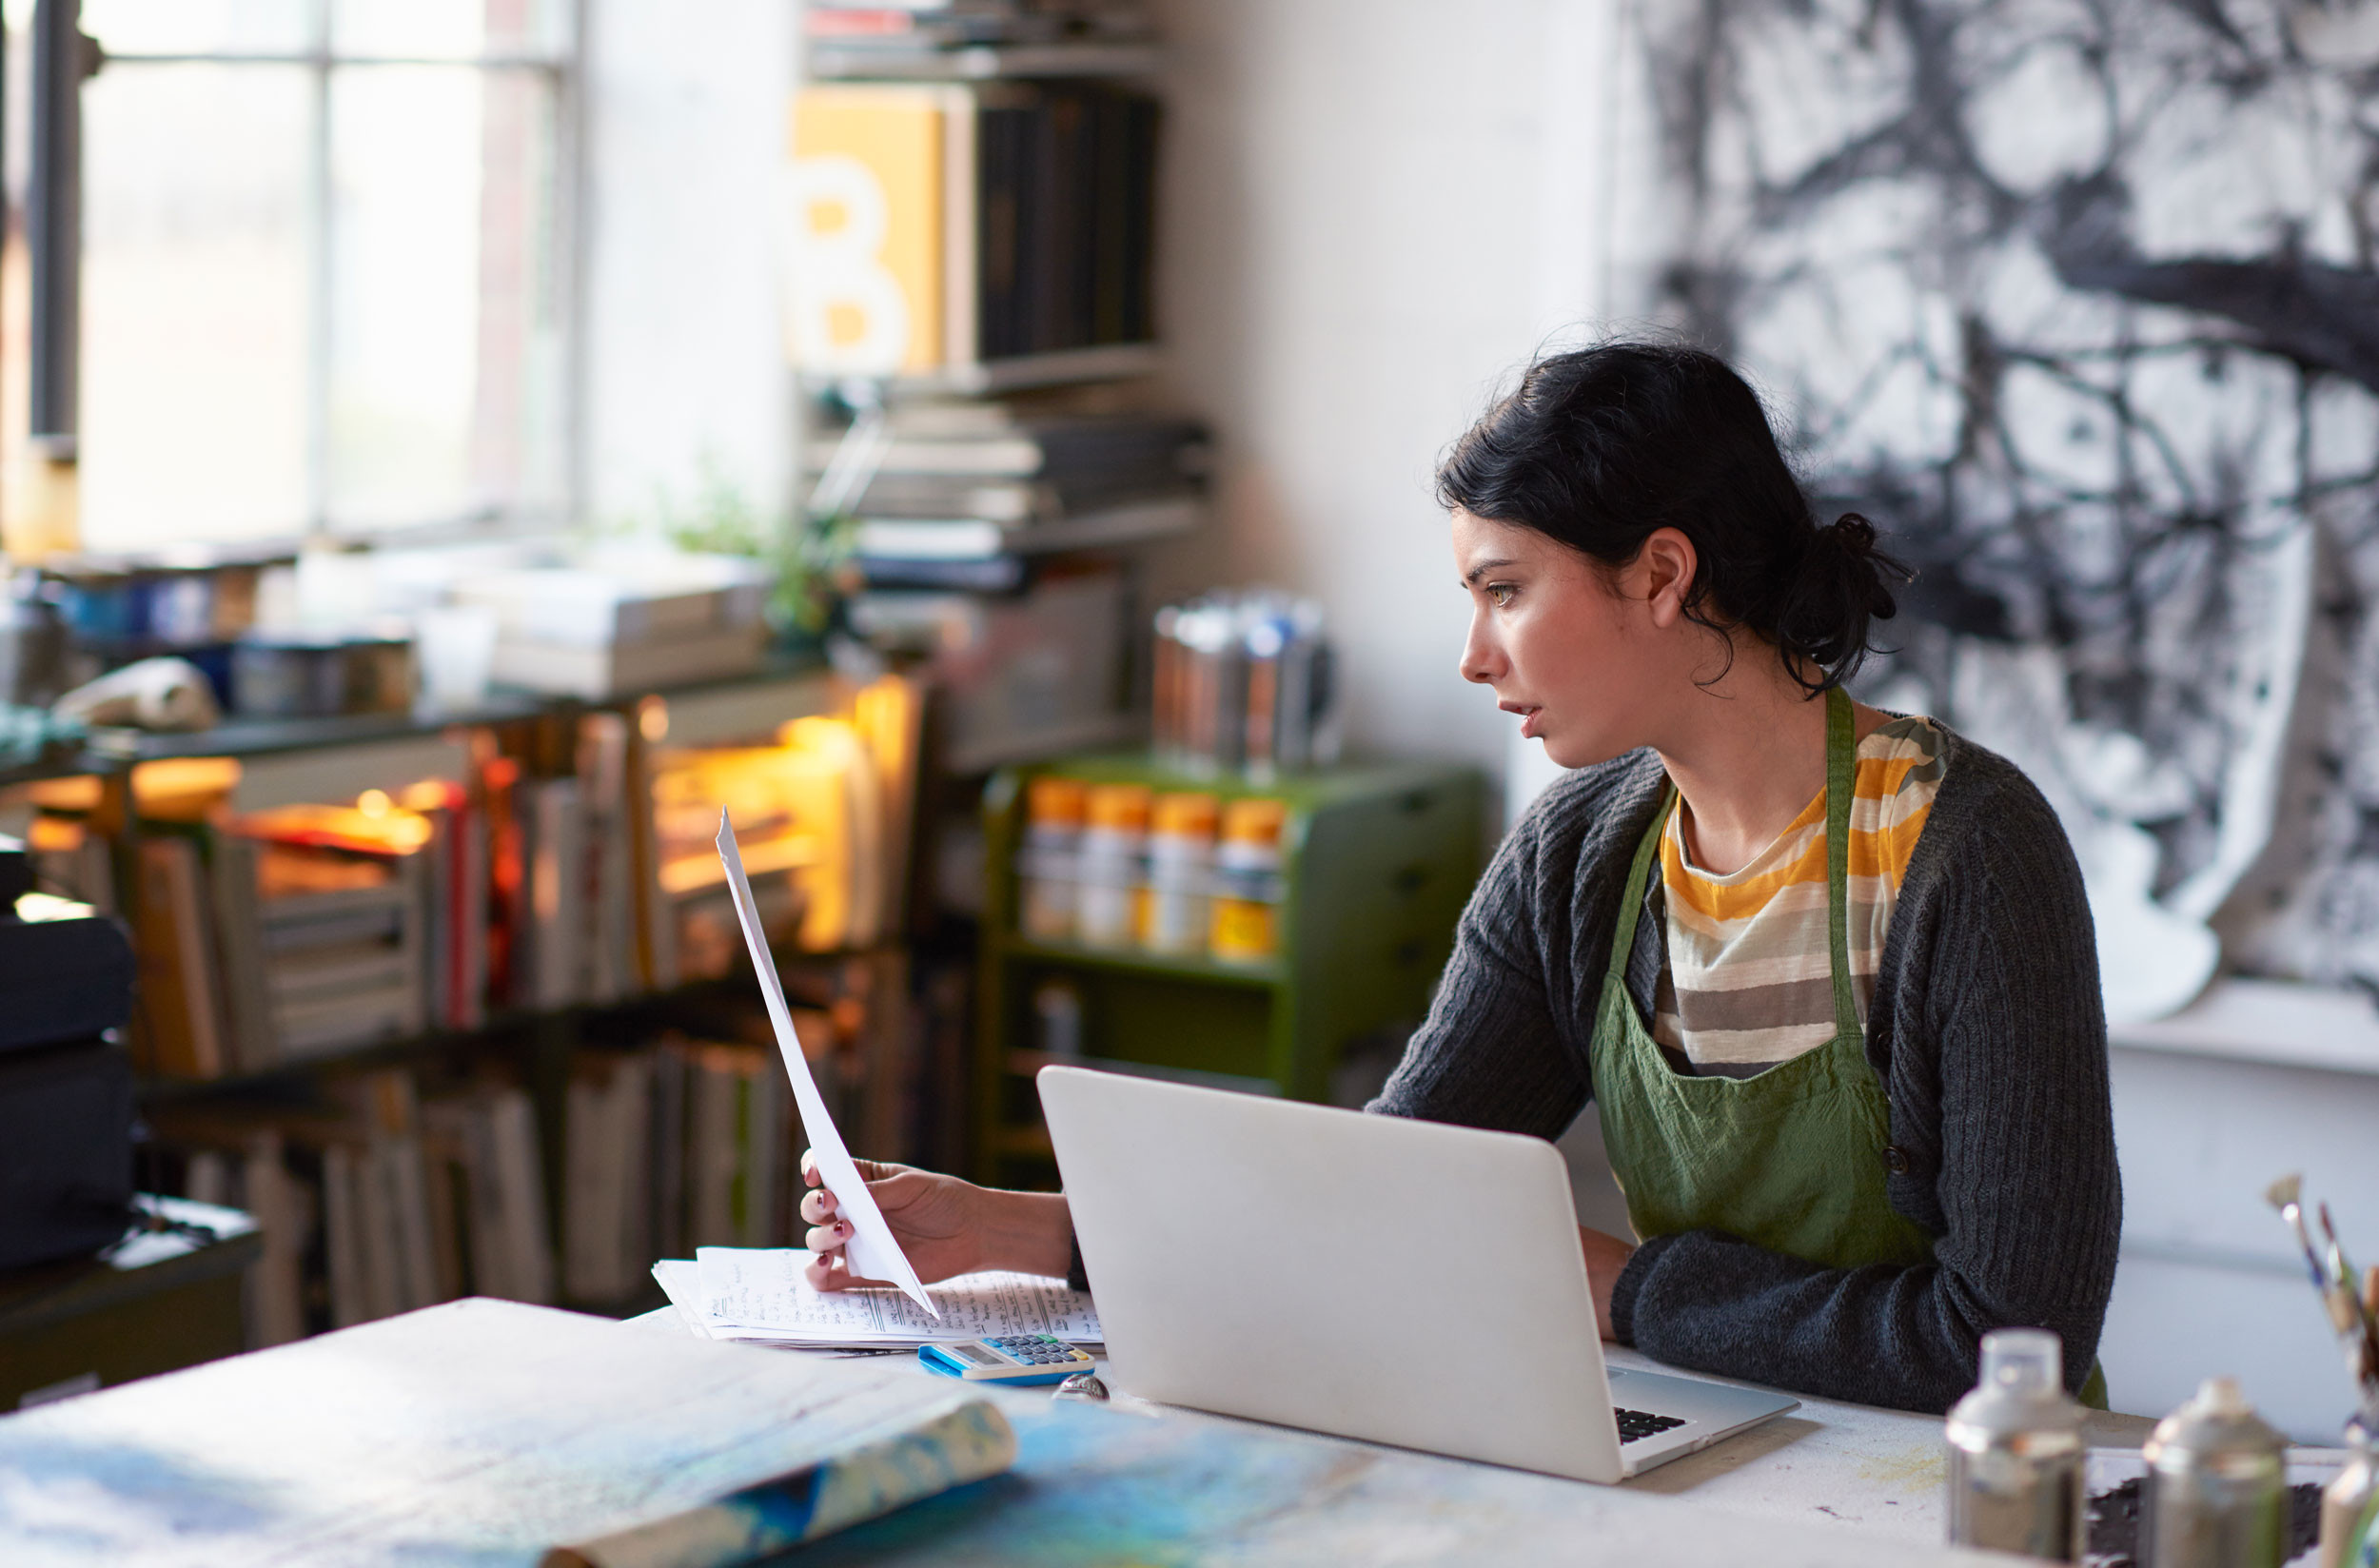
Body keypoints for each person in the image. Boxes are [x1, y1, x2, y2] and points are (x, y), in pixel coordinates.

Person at [799, 342, 2121, 1415]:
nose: (1473, 657)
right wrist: (1028, 1234)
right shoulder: (1580, 856)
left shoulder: (1967, 852)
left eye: (1505, 590)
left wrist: (1621, 1293)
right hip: (1718, 1443)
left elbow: (2010, 1344)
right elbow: (1380, 1202)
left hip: (1963, 1503)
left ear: (1663, 573)